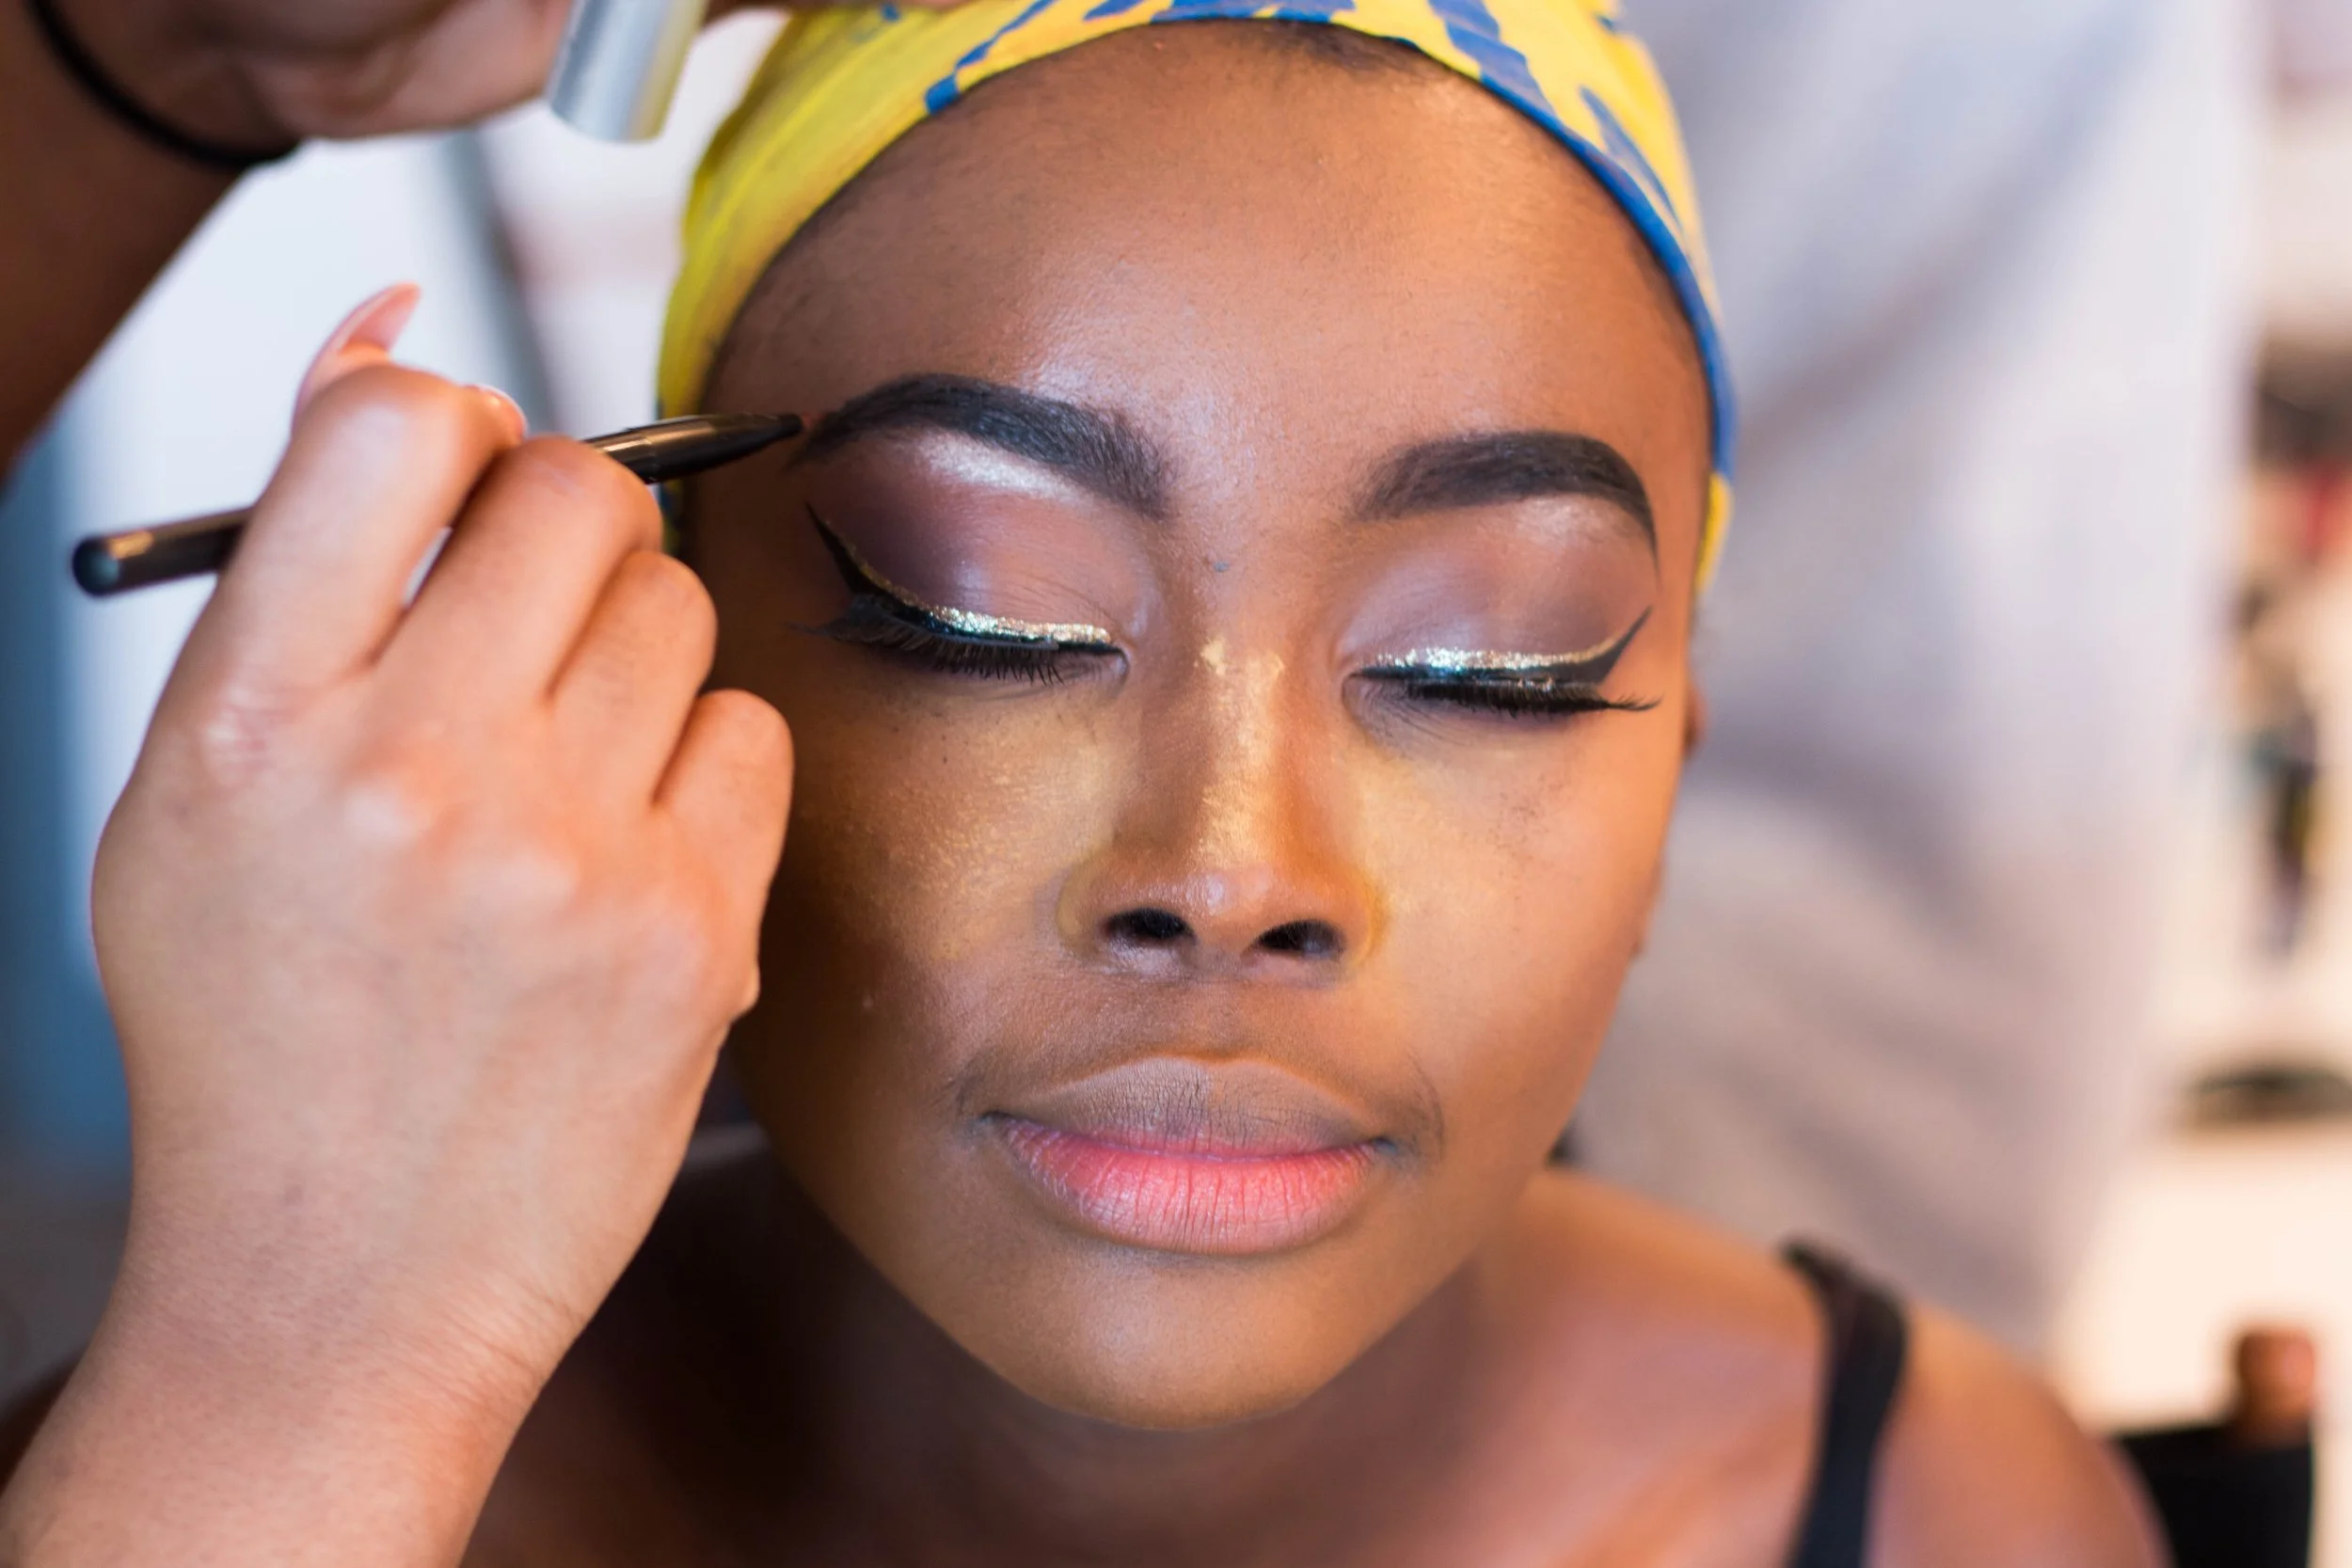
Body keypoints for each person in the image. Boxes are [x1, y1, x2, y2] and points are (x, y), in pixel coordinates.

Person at [0, 2, 2157, 1562]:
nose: (1226, 871)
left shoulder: (1930, 1512)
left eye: (1481, 667)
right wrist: (288, 1398)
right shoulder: (224, 1464)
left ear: (1670, 766)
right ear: (644, 658)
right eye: (980, 614)